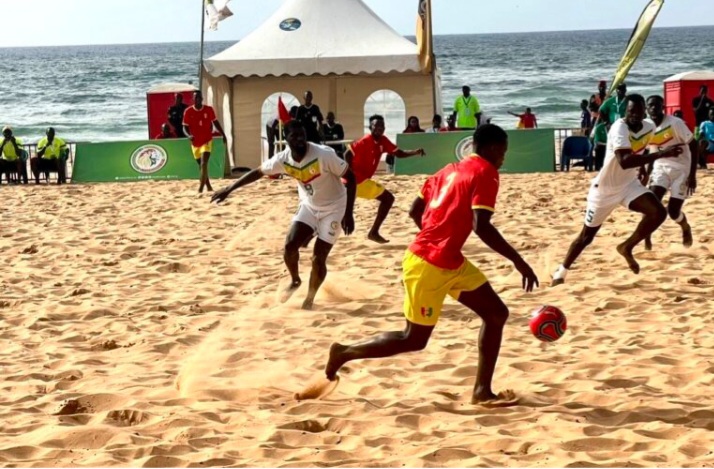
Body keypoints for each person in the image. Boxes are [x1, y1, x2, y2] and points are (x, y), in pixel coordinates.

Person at [306, 124, 539, 405]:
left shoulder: (446, 170)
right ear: (490, 149)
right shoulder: (486, 172)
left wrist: (438, 235)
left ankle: (481, 391)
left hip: (448, 260)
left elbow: (415, 210)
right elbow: (482, 227)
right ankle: (343, 352)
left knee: (496, 314)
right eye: (502, 152)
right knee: (413, 339)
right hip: (428, 264)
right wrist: (519, 261)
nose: (503, 158)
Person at [210, 121, 357, 310]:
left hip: (335, 207)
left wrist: (348, 213)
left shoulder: (324, 154)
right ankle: (295, 280)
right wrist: (229, 188)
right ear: (285, 139)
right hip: (309, 205)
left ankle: (309, 300)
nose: (299, 139)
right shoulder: (283, 158)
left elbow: (351, 178)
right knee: (289, 246)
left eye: (301, 135)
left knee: (318, 258)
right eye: (294, 136)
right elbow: (258, 172)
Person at [551, 94, 683, 286]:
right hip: (604, 190)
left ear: (644, 111)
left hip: (629, 186)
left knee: (658, 212)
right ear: (625, 112)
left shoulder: (649, 127)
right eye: (631, 111)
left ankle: (626, 247)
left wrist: (644, 169)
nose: (635, 115)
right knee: (586, 237)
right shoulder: (619, 127)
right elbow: (625, 161)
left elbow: (644, 148)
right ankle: (561, 272)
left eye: (638, 111)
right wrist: (663, 154)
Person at [345, 115, 425, 244]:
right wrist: (349, 176)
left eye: (381, 126)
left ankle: (373, 232)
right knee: (388, 199)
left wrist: (414, 152)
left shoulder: (383, 141)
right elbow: (347, 154)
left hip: (361, 182)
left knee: (333, 213)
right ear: (370, 127)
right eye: (376, 126)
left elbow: (398, 153)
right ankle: (373, 232)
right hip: (357, 181)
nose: (379, 128)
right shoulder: (365, 141)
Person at [643, 95, 698, 251]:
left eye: (657, 105)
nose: (653, 108)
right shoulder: (646, 127)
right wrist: (647, 173)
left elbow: (694, 146)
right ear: (647, 108)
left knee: (673, 211)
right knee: (652, 203)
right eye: (650, 105)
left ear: (663, 107)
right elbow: (652, 152)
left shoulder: (676, 123)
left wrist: (692, 175)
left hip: (681, 170)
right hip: (660, 167)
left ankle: (685, 226)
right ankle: (646, 235)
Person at [182, 90, 227, 193]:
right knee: (201, 166)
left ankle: (200, 189)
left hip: (207, 140)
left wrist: (223, 134)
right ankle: (209, 186)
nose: (198, 99)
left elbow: (216, 122)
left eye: (199, 97)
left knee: (203, 164)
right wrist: (188, 135)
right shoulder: (188, 111)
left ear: (202, 98)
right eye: (196, 97)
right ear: (193, 99)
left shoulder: (209, 110)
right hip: (195, 143)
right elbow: (184, 127)